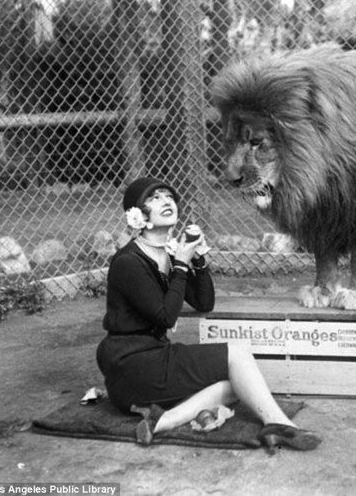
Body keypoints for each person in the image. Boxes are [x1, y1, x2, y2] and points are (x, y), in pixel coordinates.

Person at [96, 176, 321, 452]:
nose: (166, 200)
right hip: (131, 366)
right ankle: (279, 424)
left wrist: (197, 260)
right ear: (137, 215)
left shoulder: (167, 254)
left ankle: (162, 421)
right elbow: (166, 317)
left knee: (234, 386)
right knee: (236, 355)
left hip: (154, 359)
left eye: (168, 196)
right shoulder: (129, 262)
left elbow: (204, 302)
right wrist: (181, 263)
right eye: (154, 198)